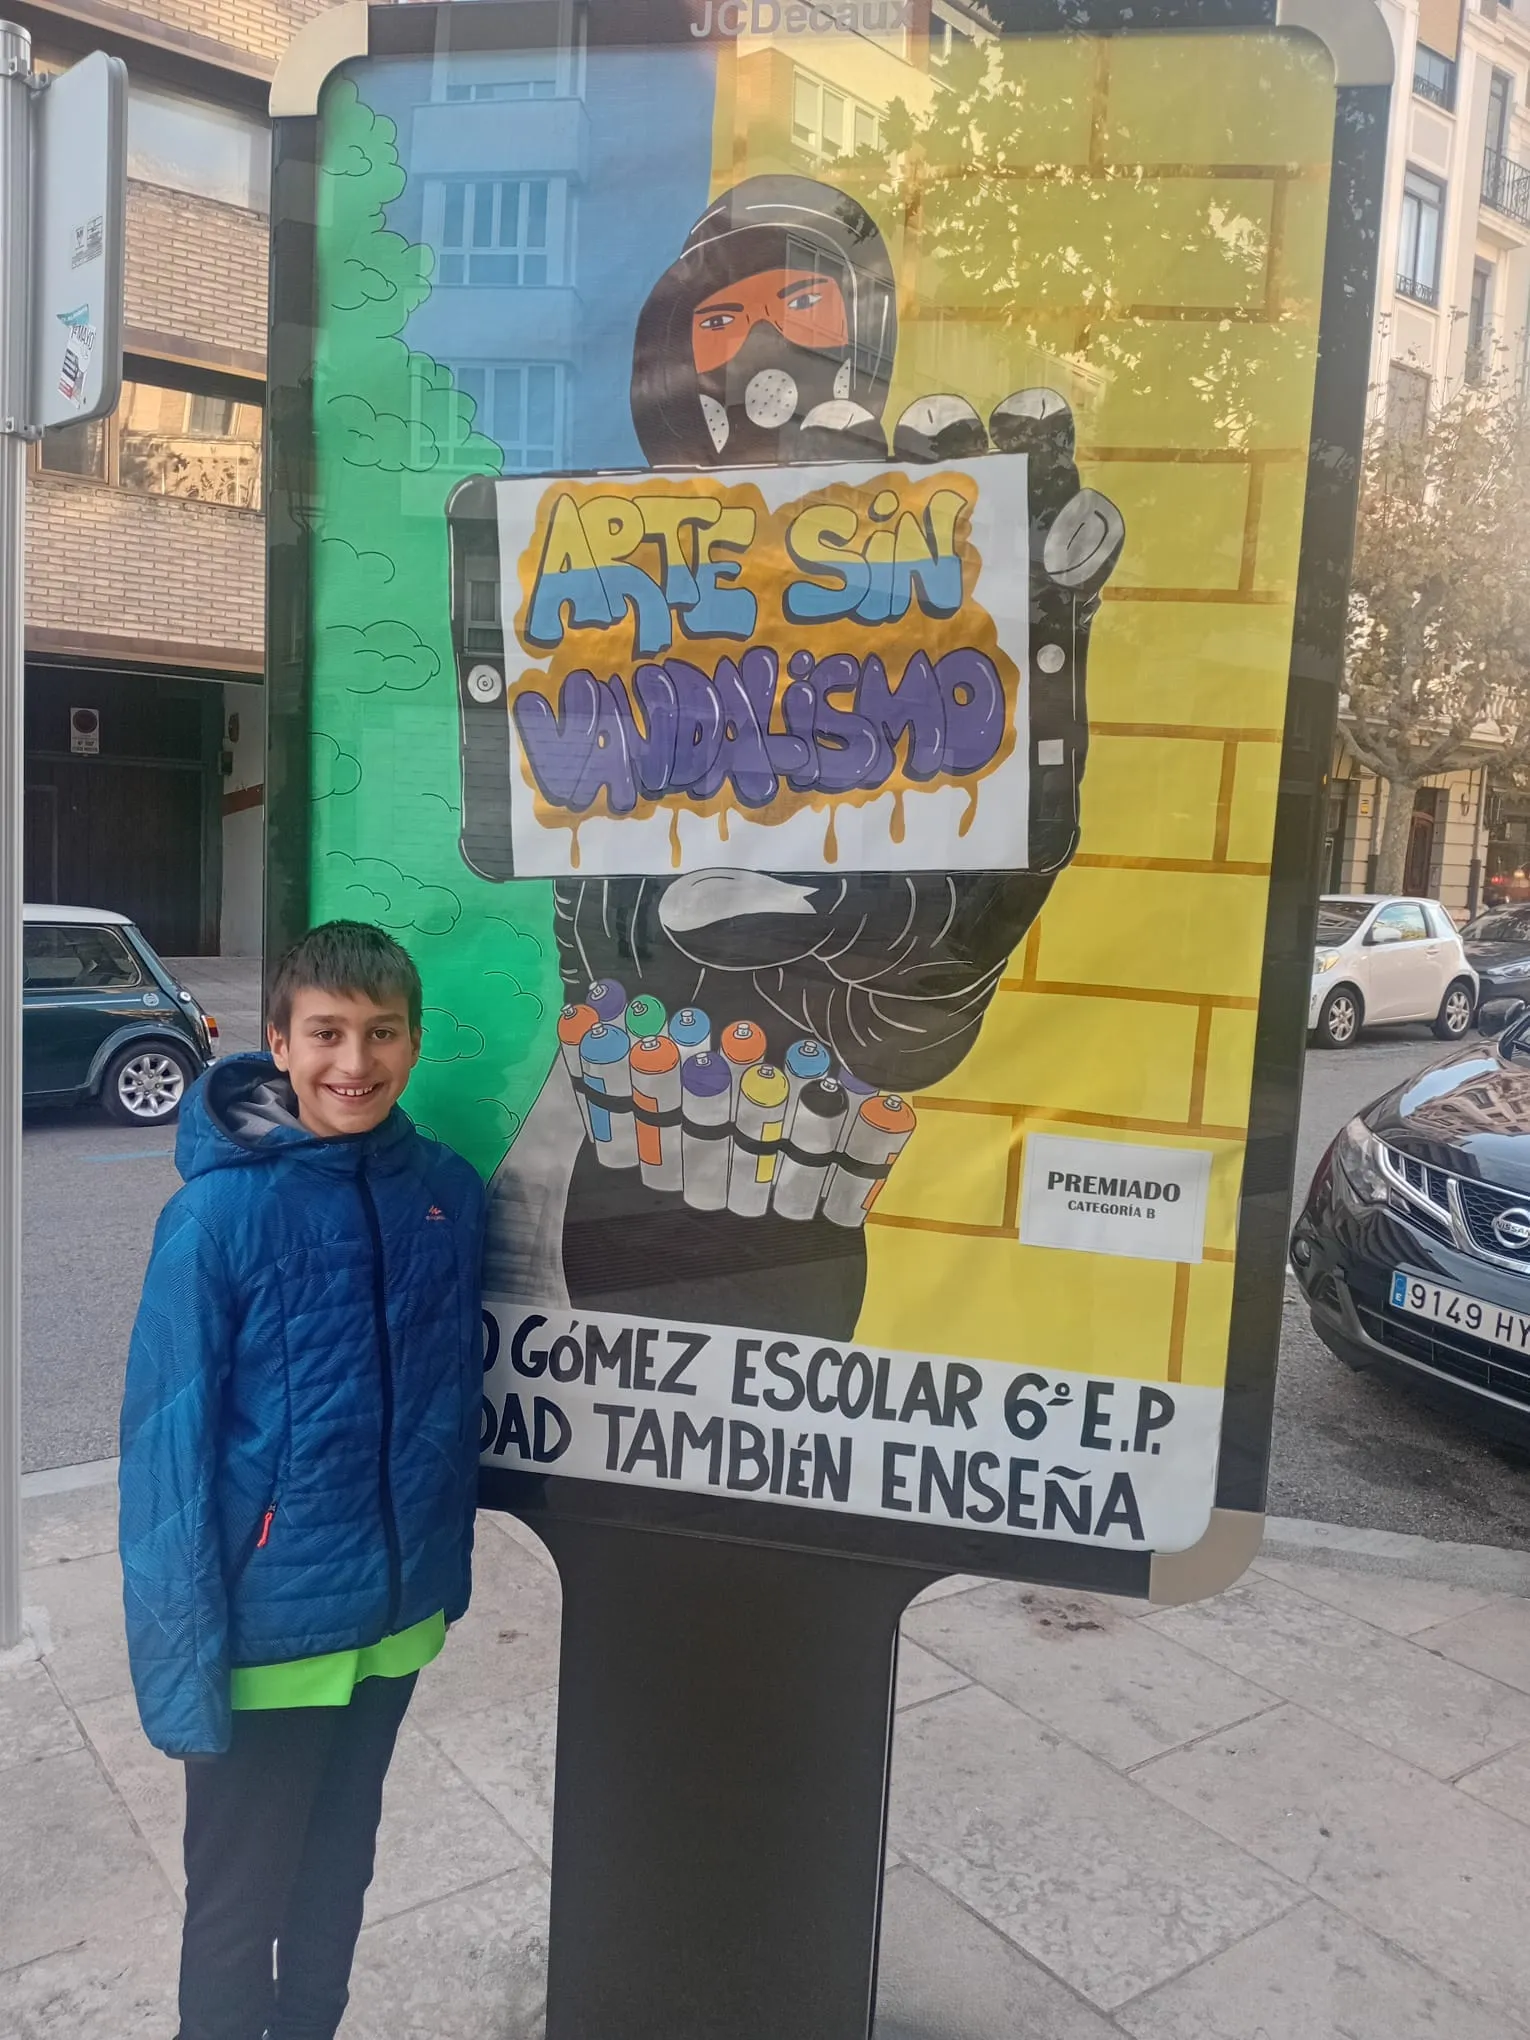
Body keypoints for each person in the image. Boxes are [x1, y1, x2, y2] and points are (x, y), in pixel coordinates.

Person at [118, 920, 487, 2040]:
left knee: (339, 1873)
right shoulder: (216, 1218)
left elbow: (447, 1397)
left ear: (414, 1043)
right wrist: (180, 1676)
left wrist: (441, 1570)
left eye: (382, 1033)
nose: (354, 1062)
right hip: (270, 1639)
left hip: (392, 1622)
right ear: (277, 1043)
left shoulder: (445, 1191)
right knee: (239, 1912)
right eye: (326, 1033)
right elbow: (167, 1460)